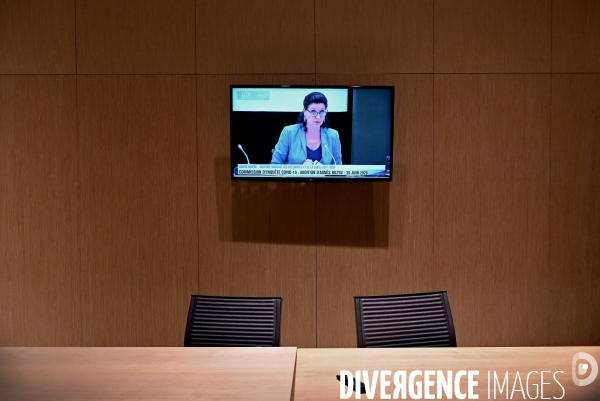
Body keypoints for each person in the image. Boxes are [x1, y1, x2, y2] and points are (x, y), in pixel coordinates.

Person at [271, 92, 342, 165]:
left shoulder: (333, 135)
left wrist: (324, 170)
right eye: (313, 112)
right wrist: (301, 170)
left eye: (322, 112)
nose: (318, 117)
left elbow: (339, 169)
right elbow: (275, 164)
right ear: (304, 111)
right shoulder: (289, 132)